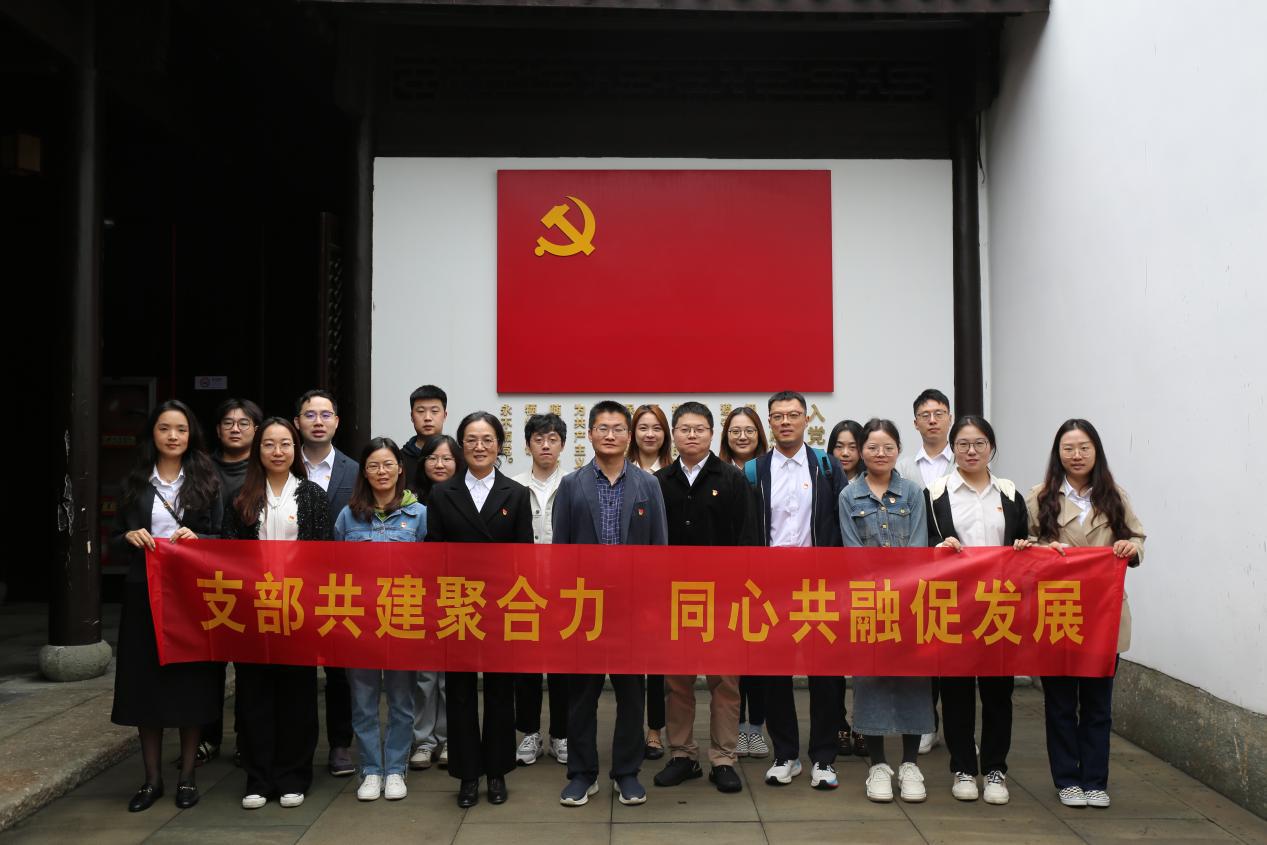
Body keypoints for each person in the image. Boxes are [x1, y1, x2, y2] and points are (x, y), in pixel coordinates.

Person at [1019, 419, 1145, 810]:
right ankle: (1067, 780)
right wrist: (1042, 550)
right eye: (1069, 448)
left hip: (1104, 616)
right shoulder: (1040, 496)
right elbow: (1023, 546)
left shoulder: (1114, 495)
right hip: (1058, 613)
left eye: (1084, 447)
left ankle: (1095, 780)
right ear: (1058, 453)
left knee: (1097, 704)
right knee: (1059, 703)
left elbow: (1136, 537)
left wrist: (1130, 549)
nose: (1077, 455)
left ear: (1096, 451)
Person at [111, 400, 224, 813]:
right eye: (164, 428)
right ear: (153, 434)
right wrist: (128, 537)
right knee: (146, 685)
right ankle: (151, 780)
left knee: (190, 684)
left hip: (191, 597)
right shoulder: (135, 482)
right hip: (144, 594)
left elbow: (222, 537)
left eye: (180, 429)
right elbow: (112, 538)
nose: (173, 436)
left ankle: (187, 777)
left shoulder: (207, 481)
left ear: (191, 434)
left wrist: (199, 539)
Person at [554, 400, 668, 808]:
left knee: (631, 693)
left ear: (629, 435)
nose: (610, 435)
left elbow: (659, 549)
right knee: (581, 694)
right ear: (590, 434)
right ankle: (582, 774)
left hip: (631, 607)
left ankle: (626, 772)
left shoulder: (647, 485)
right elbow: (561, 551)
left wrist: (653, 606)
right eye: (602, 428)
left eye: (619, 428)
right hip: (585, 605)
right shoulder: (572, 485)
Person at [425, 412, 534, 808]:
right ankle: (468, 775)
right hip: (459, 604)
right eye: (471, 439)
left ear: (499, 445)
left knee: (501, 691)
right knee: (459, 692)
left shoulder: (515, 493)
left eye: (487, 439)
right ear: (461, 446)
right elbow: (434, 553)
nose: (479, 446)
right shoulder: (443, 494)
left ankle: (497, 771)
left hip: (501, 605)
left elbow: (524, 557)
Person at [222, 417, 331, 810]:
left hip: (298, 613)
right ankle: (258, 777)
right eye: (269, 444)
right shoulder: (241, 498)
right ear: (258, 450)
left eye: (285, 444)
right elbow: (229, 555)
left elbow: (323, 556)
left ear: (295, 449)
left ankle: (293, 776)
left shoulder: (312, 495)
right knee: (254, 696)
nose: (278, 451)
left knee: (297, 696)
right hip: (254, 612)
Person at [745, 391, 848, 790]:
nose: (785, 422)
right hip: (772, 586)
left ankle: (823, 757)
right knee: (774, 673)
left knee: (826, 674)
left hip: (819, 585)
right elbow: (748, 530)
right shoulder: (754, 470)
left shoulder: (826, 466)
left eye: (793, 415)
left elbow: (840, 523)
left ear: (807, 420)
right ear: (769, 423)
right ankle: (785, 754)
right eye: (778, 416)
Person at [925, 415, 1028, 805]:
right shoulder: (936, 494)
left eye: (979, 443)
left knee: (999, 692)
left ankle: (996, 768)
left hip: (999, 607)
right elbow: (926, 541)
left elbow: (1024, 542)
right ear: (953, 449)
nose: (971, 451)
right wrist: (939, 547)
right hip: (954, 607)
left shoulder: (1010, 494)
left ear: (991, 448)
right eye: (963, 444)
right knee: (956, 692)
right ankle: (964, 767)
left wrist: (1023, 547)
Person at [652, 402, 748, 794]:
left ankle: (723, 759)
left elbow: (746, 540)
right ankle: (682, 755)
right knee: (677, 682)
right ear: (673, 434)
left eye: (700, 429)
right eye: (685, 429)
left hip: (723, 600)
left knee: (725, 682)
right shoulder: (659, 481)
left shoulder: (732, 478)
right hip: (674, 600)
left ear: (711, 433)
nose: (692, 435)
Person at [839, 418, 934, 804]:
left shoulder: (913, 492)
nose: (880, 454)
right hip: (867, 602)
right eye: (873, 447)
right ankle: (878, 765)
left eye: (888, 447)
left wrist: (901, 591)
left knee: (914, 680)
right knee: (870, 680)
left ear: (898, 450)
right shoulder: (849, 496)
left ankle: (910, 764)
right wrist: (877, 591)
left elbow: (918, 547)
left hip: (909, 601)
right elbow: (851, 552)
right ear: (861, 451)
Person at [334, 437, 428, 803]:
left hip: (403, 620)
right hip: (360, 623)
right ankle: (372, 769)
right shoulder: (349, 516)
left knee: (402, 701)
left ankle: (396, 769)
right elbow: (334, 571)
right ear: (364, 472)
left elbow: (431, 572)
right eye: (374, 465)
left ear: (400, 468)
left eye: (388, 464)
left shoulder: (419, 515)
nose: (381, 471)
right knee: (363, 701)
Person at [293, 389, 359, 777]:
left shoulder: (354, 469)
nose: (318, 421)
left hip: (339, 584)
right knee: (296, 668)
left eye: (325, 414)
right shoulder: (282, 463)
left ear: (336, 422)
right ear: (297, 422)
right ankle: (296, 746)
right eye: (310, 414)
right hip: (292, 584)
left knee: (340, 671)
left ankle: (340, 745)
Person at [200, 397, 263, 768]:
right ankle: (206, 738)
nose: (235, 429)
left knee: (248, 668)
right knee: (208, 665)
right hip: (206, 580)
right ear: (218, 429)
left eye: (244, 423)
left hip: (252, 584)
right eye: (228, 422)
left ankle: (245, 738)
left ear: (256, 429)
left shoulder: (262, 471)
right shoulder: (200, 469)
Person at [895, 388, 954, 755]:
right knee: (923, 649)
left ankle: (959, 729)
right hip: (916, 569)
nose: (932, 420)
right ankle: (926, 724)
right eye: (925, 415)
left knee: (955, 651)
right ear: (915, 423)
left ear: (949, 418)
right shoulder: (903, 467)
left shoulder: (965, 457)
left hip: (958, 569)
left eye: (939, 413)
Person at [509, 413, 570, 767]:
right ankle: (529, 733)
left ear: (562, 445)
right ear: (528, 444)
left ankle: (561, 734)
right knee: (526, 667)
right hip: (523, 590)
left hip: (563, 589)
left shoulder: (574, 485)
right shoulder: (513, 486)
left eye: (552, 439)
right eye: (538, 439)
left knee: (563, 666)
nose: (545, 445)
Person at [718, 406, 770, 759]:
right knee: (732, 659)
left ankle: (756, 729)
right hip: (725, 581)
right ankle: (735, 728)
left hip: (764, 579)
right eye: (735, 431)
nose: (742, 436)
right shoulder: (718, 473)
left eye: (749, 430)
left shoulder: (768, 471)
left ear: (759, 435)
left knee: (759, 658)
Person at [408, 433, 462, 772]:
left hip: (457, 596)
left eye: (447, 458)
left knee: (451, 677)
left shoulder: (465, 497)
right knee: (425, 676)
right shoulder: (408, 501)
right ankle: (424, 740)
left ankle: (450, 737)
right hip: (418, 596)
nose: (439, 464)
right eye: (432, 458)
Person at [627, 403, 671, 759]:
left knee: (657, 663)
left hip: (661, 581)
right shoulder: (620, 471)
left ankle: (655, 731)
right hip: (624, 583)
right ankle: (627, 731)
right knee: (627, 663)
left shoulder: (672, 474)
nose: (650, 434)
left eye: (657, 427)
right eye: (643, 427)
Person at [827, 418, 868, 760]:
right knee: (835, 660)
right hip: (833, 584)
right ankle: (838, 723)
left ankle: (863, 724)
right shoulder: (825, 480)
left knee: (864, 661)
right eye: (839, 446)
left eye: (852, 446)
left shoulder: (871, 484)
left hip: (866, 585)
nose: (845, 453)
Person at [400, 384, 448, 494]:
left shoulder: (457, 458)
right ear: (412, 416)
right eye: (421, 411)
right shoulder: (399, 460)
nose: (427, 418)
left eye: (434, 411)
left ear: (445, 415)